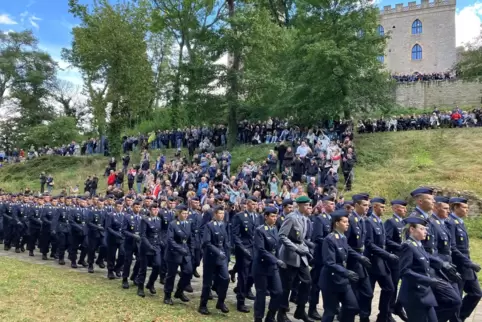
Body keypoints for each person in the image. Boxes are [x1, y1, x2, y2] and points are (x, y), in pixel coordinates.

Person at [399, 216, 446, 322]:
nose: (426, 232)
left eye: (426, 229)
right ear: (412, 229)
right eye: (422, 229)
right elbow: (404, 271)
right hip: (413, 295)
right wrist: (428, 280)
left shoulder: (418, 245)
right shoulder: (407, 246)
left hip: (424, 293)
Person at [320, 209, 360, 322]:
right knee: (330, 312)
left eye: (348, 221)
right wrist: (346, 272)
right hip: (330, 280)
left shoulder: (342, 236)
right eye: (345, 221)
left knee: (352, 307)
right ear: (337, 223)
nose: (348, 223)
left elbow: (348, 249)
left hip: (342, 279)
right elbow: (329, 262)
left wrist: (360, 257)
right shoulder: (329, 239)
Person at [277, 195, 313, 322]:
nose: (309, 207)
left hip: (301, 255)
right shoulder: (291, 217)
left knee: (307, 281)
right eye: (307, 205)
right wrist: (295, 249)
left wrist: (307, 251)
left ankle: (300, 310)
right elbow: (282, 236)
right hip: (289, 255)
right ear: (301, 205)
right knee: (287, 285)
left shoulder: (305, 218)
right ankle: (281, 313)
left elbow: (301, 239)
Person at [446, 197, 482, 321]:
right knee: (458, 295)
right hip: (459, 266)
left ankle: (460, 317)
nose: (467, 210)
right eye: (464, 208)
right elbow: (453, 248)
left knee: (476, 293)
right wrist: (469, 263)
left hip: (466, 266)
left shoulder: (459, 222)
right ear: (455, 208)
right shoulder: (450, 223)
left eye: (467, 208)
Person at [364, 197, 398, 322]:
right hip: (372, 262)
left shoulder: (379, 221)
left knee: (390, 288)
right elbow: (370, 244)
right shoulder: (369, 222)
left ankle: (383, 316)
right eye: (382, 207)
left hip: (382, 262)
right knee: (369, 293)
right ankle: (365, 316)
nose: (384, 209)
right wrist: (387, 255)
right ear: (375, 207)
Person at [253, 206, 284, 322]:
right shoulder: (260, 230)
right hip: (261, 267)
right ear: (266, 217)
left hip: (273, 267)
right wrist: (276, 260)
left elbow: (277, 247)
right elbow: (261, 250)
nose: (275, 218)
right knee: (261, 294)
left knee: (278, 292)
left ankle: (270, 316)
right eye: (272, 216)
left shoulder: (274, 229)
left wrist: (277, 260)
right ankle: (258, 318)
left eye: (276, 216)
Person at [198, 206, 230, 315]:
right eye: (220, 213)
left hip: (221, 258)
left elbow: (226, 242)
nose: (222, 215)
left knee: (225, 278)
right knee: (207, 283)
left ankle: (220, 302)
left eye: (223, 213)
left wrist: (227, 255)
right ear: (215, 214)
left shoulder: (224, 225)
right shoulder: (209, 226)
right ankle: (203, 305)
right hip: (211, 257)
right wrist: (218, 252)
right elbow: (207, 242)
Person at [384, 200, 409, 321]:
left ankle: (396, 307)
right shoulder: (391, 222)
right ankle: (387, 312)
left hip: (402, 259)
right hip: (394, 258)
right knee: (392, 286)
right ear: (395, 209)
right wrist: (400, 247)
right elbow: (387, 240)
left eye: (405, 208)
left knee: (402, 286)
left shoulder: (403, 223)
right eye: (402, 208)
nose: (405, 210)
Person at [163, 205, 194, 305]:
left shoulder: (188, 223)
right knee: (171, 275)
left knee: (188, 272)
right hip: (174, 252)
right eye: (183, 213)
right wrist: (180, 249)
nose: (185, 215)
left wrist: (191, 249)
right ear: (179, 213)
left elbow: (190, 238)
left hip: (185, 252)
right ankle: (167, 296)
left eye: (187, 213)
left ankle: (179, 291)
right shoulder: (173, 224)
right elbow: (170, 240)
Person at [136, 203, 163, 297]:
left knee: (158, 266)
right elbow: (143, 235)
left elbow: (159, 233)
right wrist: (149, 246)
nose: (155, 211)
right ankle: (140, 287)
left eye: (157, 209)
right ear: (150, 210)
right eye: (154, 210)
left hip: (156, 246)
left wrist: (160, 243)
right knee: (143, 268)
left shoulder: (159, 220)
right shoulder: (145, 220)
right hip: (146, 248)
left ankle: (151, 283)